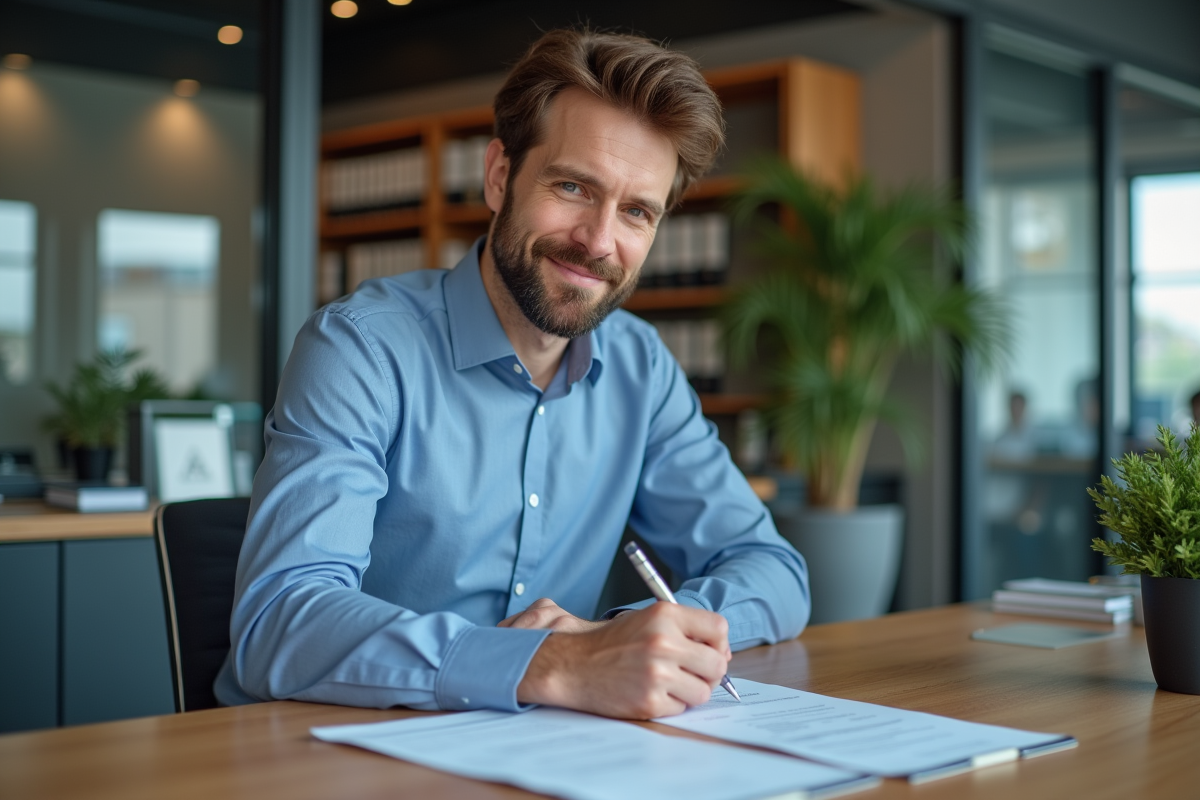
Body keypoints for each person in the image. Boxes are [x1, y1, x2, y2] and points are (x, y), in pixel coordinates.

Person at [215, 29, 809, 721]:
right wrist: (551, 662)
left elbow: (773, 571)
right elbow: (278, 623)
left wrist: (636, 635)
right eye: (572, 186)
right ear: (500, 176)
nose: (598, 240)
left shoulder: (641, 369)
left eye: (637, 212)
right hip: (329, 749)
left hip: (531, 752)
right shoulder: (361, 349)